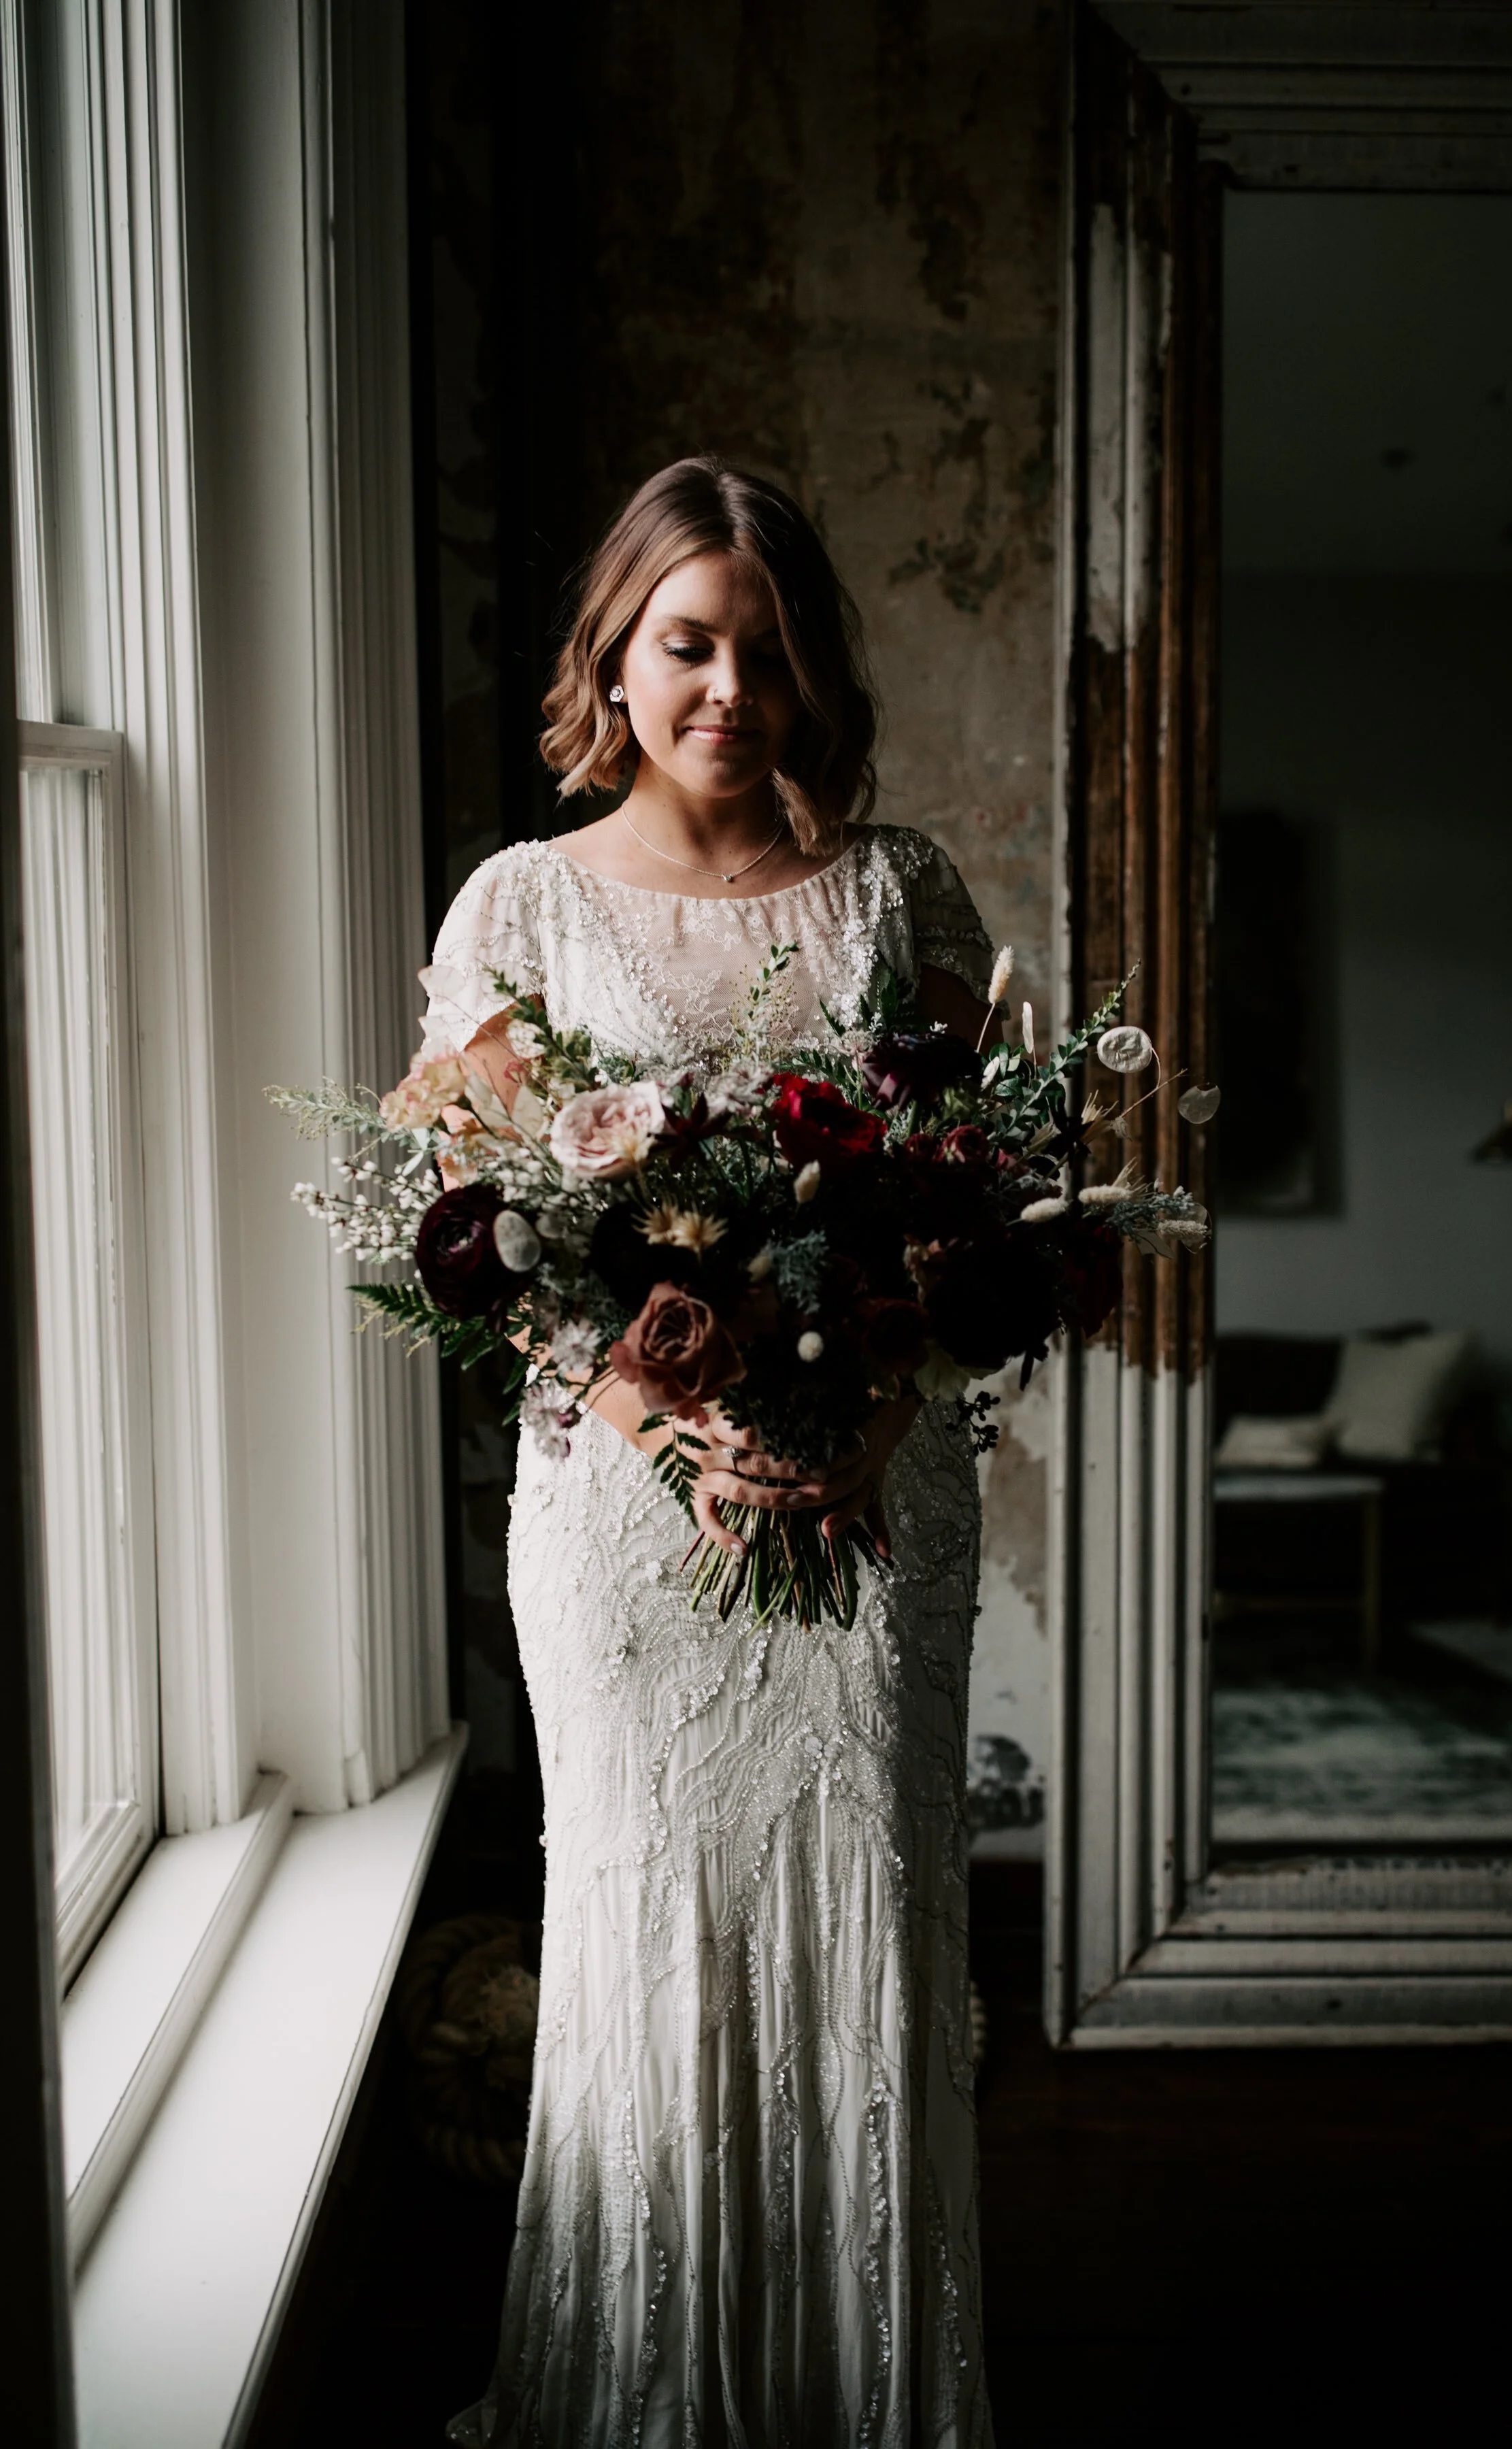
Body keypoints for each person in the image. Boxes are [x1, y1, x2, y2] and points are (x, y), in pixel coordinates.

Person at [431, 456, 996, 2448]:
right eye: (689, 644)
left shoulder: (900, 889)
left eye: (766, 649)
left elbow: (971, 1208)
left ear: (812, 666)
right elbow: (485, 1246)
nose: (729, 691)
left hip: (876, 1495)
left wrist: (874, 1411)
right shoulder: (520, 901)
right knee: (646, 1933)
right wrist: (669, 1422)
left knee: (872, 1944)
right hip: (622, 1523)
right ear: (620, 652)